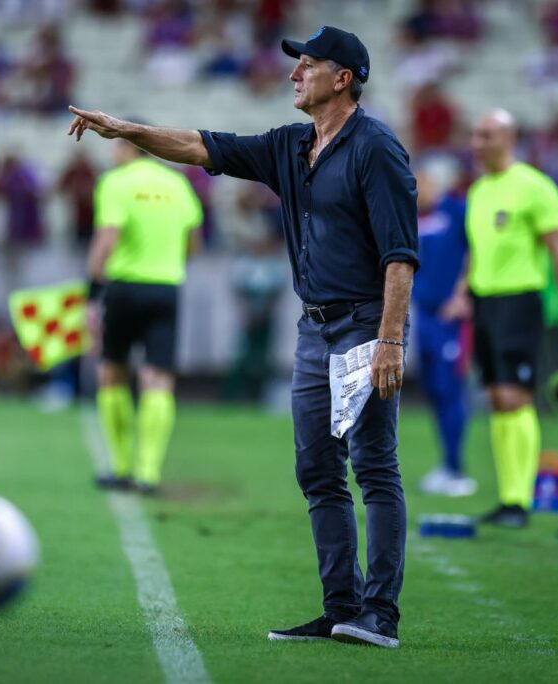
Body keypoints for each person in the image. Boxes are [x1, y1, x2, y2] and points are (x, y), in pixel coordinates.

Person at [68, 24, 418, 649]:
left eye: (307, 64)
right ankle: (341, 608)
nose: (294, 73)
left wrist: (391, 339)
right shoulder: (292, 145)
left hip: (366, 325)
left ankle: (380, 615)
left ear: (343, 79)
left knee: (373, 465)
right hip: (314, 329)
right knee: (317, 470)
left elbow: (400, 254)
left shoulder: (376, 148)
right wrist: (127, 131)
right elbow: (201, 146)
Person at [444, 110, 558, 529]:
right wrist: (461, 292)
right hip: (485, 304)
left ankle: (520, 500)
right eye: (475, 135)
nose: (477, 143)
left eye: (486, 135)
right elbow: (476, 250)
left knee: (516, 398)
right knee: (495, 398)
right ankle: (508, 499)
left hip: (520, 302)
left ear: (509, 138)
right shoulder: (479, 191)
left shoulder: (535, 187)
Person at [86, 138, 203, 496]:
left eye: (115, 146)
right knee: (158, 377)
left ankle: (121, 466)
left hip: (123, 287)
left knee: (112, 371)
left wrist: (91, 294)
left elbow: (106, 240)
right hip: (166, 288)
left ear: (129, 148)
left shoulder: (116, 182)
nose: (112, 154)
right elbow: (194, 242)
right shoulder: (177, 184)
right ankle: (148, 473)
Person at [412, 168, 474, 497]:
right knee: (434, 390)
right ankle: (447, 464)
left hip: (450, 318)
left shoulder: (457, 211)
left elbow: (476, 250)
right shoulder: (415, 217)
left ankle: (457, 468)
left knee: (450, 389)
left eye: (421, 181)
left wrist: (463, 294)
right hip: (424, 315)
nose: (416, 187)